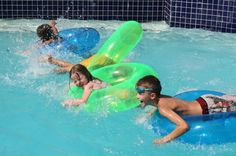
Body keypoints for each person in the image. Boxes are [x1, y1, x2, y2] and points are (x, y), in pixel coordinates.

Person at [135, 75, 236, 145]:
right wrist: (148, 107)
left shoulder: (163, 109)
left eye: (140, 93)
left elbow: (184, 126)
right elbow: (159, 103)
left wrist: (164, 140)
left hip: (210, 108)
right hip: (204, 100)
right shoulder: (161, 98)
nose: (137, 96)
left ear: (152, 96)